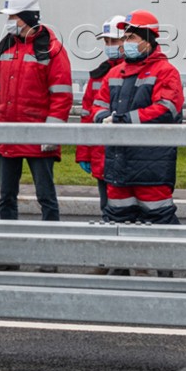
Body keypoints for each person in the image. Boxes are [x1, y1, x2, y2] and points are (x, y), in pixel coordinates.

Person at [0, 0, 73, 270]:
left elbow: (61, 96)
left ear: (27, 17)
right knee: (6, 198)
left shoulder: (52, 49)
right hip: (8, 134)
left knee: (46, 199)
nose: (9, 22)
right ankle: (9, 256)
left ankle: (50, 258)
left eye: (13, 17)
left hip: (37, 138)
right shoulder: (5, 47)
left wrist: (50, 133)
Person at [91, 10, 185, 226]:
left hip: (152, 167)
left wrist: (121, 120)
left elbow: (166, 109)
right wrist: (104, 117)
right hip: (118, 165)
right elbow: (98, 105)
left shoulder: (165, 72)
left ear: (148, 41)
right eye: (125, 38)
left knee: (160, 224)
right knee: (117, 224)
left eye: (131, 37)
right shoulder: (114, 74)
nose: (126, 43)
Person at [76, 16, 127, 224]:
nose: (109, 46)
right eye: (106, 42)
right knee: (106, 208)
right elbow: (88, 114)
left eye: (113, 41)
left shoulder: (133, 71)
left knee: (125, 210)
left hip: (125, 154)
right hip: (101, 154)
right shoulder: (99, 74)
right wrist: (84, 153)